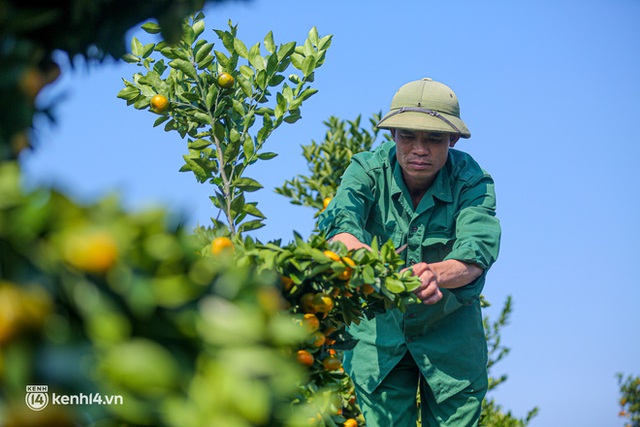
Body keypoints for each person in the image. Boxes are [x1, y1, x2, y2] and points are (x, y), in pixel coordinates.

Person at [317, 77, 501, 426]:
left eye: (433, 139)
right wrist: (376, 268)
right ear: (392, 136)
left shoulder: (472, 181)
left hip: (451, 343)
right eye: (408, 136)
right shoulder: (365, 171)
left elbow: (476, 253)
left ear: (453, 139)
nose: (419, 149)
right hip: (377, 339)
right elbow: (340, 228)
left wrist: (435, 273)